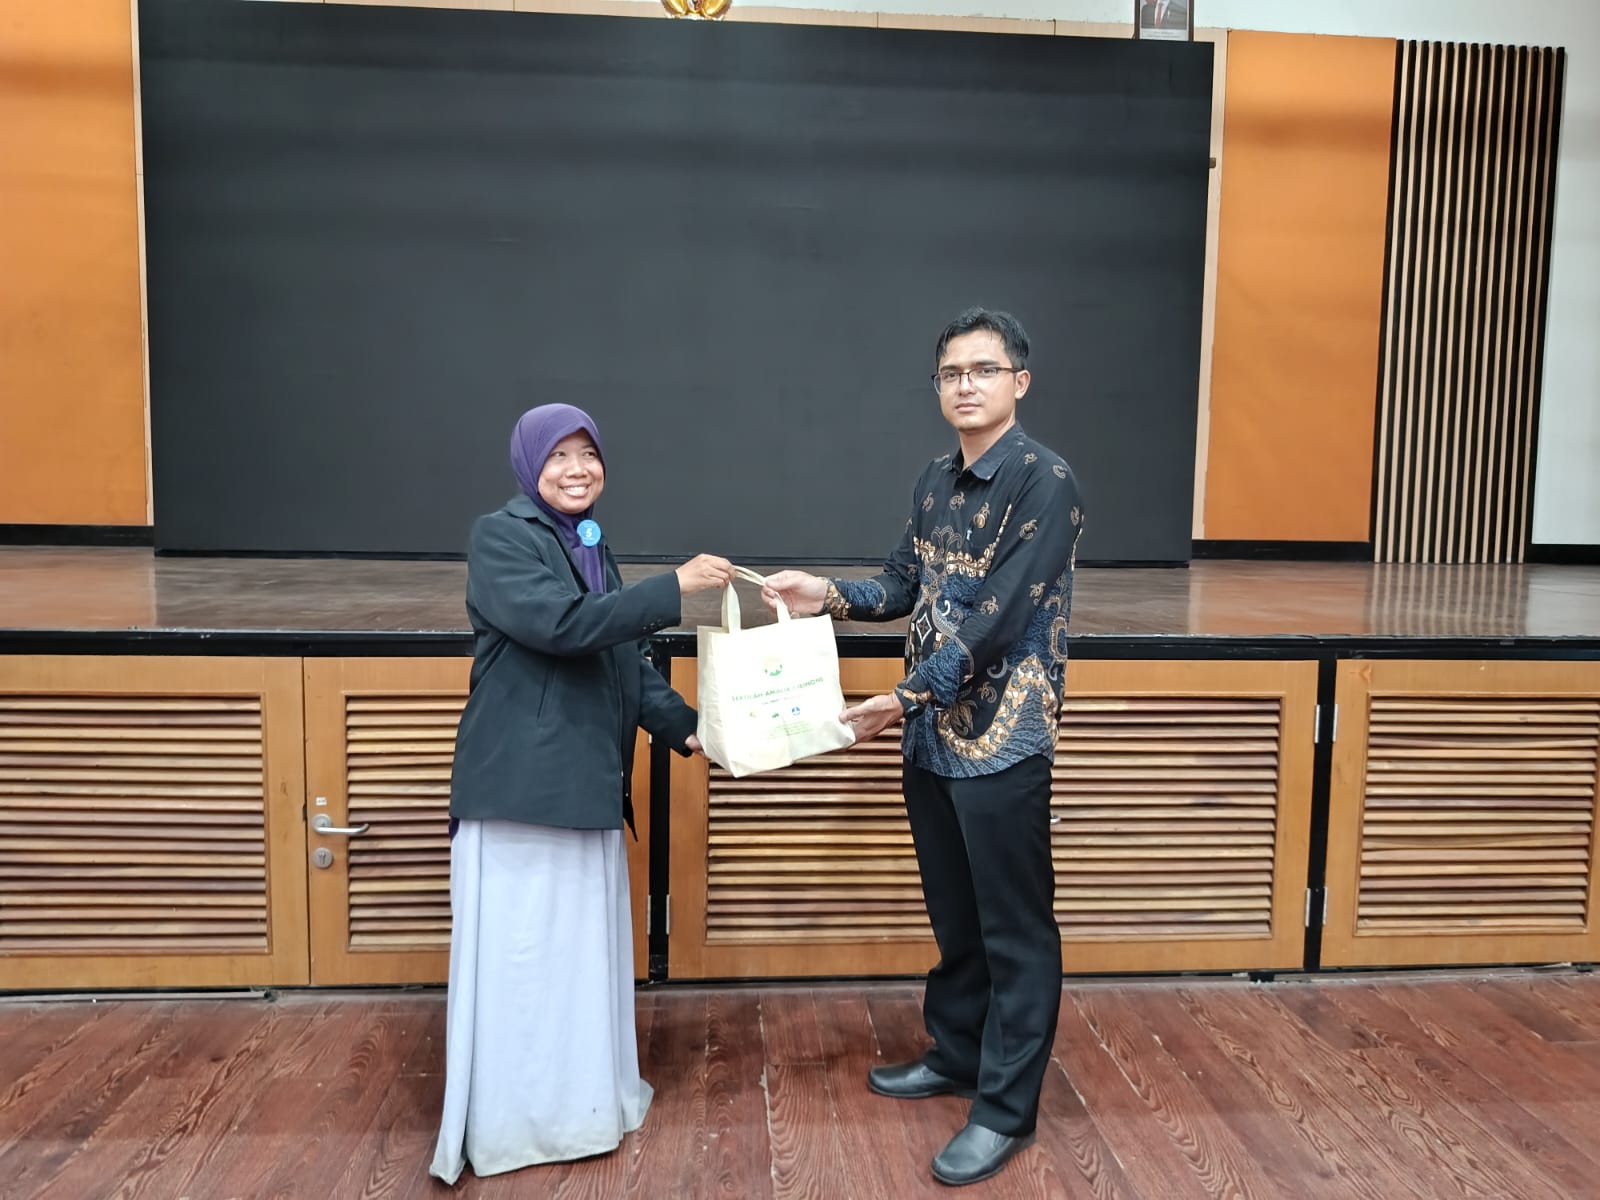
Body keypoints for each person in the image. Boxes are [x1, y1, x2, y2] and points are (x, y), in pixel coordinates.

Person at [762, 307, 1084, 1188]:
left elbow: (999, 618)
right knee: (956, 913)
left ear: (1019, 381)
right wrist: (827, 594)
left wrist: (901, 697)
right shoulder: (934, 480)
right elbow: (905, 582)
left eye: (983, 370)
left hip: (1005, 738)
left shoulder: (1045, 481)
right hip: (932, 737)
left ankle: (1006, 1110)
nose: (965, 385)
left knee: (1014, 927)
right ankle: (958, 1053)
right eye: (950, 373)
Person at [430, 403, 734, 1184]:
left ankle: (579, 1107)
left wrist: (691, 730)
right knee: (526, 964)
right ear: (528, 464)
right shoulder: (500, 536)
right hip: (525, 792)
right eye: (558, 455)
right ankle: (520, 1125)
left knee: (572, 964)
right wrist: (675, 588)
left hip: (582, 784)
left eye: (588, 454)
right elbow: (562, 625)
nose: (577, 469)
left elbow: (620, 657)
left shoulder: (590, 543)